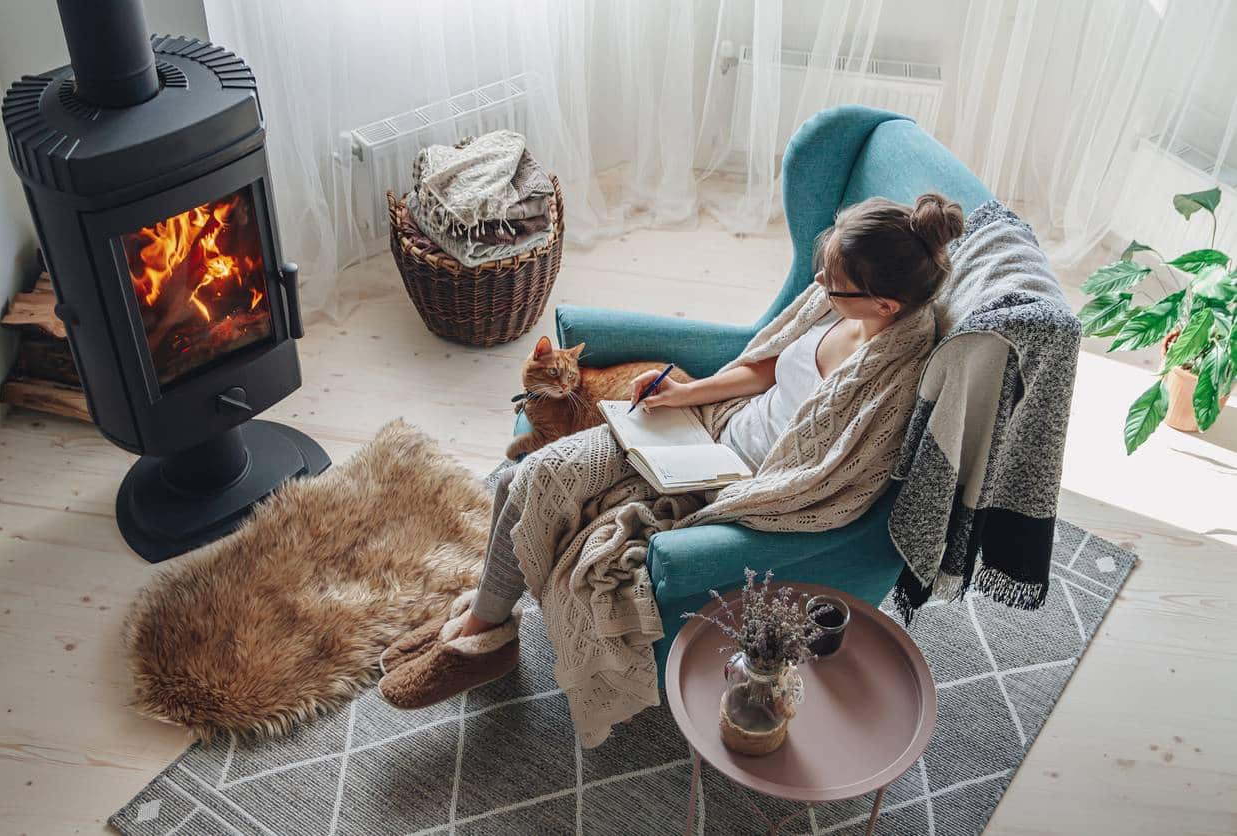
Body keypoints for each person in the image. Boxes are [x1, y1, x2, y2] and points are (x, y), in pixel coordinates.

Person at [378, 192, 966, 742]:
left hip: (731, 482)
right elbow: (764, 367)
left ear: (884, 304)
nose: (819, 287)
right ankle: (491, 623)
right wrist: (683, 395)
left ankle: (479, 633)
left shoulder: (892, 379)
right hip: (705, 431)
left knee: (536, 487)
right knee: (518, 477)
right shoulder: (840, 303)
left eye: (833, 285)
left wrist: (727, 494)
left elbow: (831, 484)